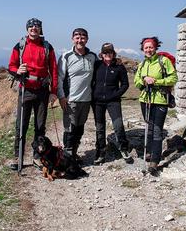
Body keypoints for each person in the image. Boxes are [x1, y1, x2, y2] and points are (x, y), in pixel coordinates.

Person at [8, 18, 58, 170]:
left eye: (37, 26)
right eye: (31, 26)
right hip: (26, 89)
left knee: (40, 126)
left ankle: (37, 156)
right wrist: (17, 71)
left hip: (42, 90)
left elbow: (54, 70)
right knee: (21, 125)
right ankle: (18, 157)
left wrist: (53, 92)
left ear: (40, 29)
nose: (34, 28)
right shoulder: (20, 46)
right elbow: (11, 65)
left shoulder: (47, 47)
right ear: (27, 29)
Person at [134, 37, 177, 176]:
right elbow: (136, 81)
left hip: (160, 100)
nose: (148, 50)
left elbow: (173, 78)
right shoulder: (142, 64)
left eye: (150, 47)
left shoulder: (163, 61)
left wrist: (156, 81)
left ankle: (155, 161)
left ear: (155, 47)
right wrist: (143, 80)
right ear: (143, 49)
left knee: (157, 129)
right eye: (146, 48)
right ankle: (150, 153)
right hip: (145, 100)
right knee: (149, 127)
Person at [57, 28, 97, 164]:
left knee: (80, 128)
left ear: (87, 39)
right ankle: (67, 158)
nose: (80, 40)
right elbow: (59, 78)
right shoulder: (66, 56)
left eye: (83, 37)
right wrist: (62, 97)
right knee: (70, 129)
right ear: (72, 39)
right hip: (70, 100)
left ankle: (73, 154)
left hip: (86, 99)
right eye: (77, 37)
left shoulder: (93, 56)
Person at [91, 42, 132, 165]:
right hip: (97, 102)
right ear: (101, 54)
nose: (107, 54)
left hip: (113, 101)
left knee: (118, 125)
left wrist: (115, 95)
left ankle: (124, 149)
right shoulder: (97, 65)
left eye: (110, 52)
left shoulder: (119, 67)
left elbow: (125, 84)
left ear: (113, 54)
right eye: (105, 52)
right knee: (100, 128)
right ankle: (101, 151)